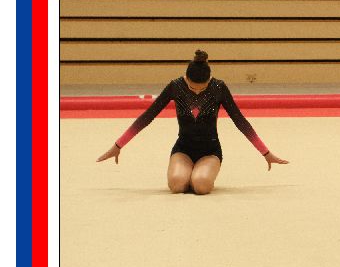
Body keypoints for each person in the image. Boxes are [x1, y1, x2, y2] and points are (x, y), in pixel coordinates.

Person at [95, 50, 287, 194]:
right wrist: (118, 145)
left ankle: (200, 173)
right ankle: (188, 171)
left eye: (202, 89)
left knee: (201, 186)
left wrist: (265, 152)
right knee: (177, 185)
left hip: (210, 151)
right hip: (183, 149)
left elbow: (240, 121)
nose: (196, 92)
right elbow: (147, 116)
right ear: (186, 78)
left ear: (209, 79)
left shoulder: (218, 87)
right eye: (192, 88)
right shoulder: (176, 86)